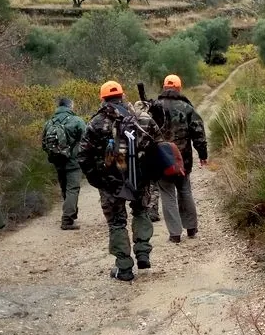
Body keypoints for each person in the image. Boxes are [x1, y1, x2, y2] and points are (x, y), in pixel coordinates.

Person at [77, 81, 162, 281]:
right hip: (140, 179)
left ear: (102, 98)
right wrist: (150, 174)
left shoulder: (96, 123)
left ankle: (124, 268)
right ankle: (143, 256)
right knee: (141, 212)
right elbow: (159, 145)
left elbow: (83, 155)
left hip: (110, 183)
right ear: (123, 96)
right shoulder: (142, 117)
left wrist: (96, 179)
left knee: (116, 223)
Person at [154, 74, 207, 243]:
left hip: (161, 160)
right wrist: (202, 154)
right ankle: (191, 229)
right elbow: (198, 133)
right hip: (182, 160)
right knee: (185, 190)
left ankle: (175, 234)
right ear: (178, 88)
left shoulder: (154, 107)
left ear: (164, 87)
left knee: (167, 194)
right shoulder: (187, 108)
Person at [41, 97, 87, 230]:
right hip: (73, 161)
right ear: (70, 106)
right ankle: (67, 219)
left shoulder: (49, 123)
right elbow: (86, 139)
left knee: (64, 188)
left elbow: (44, 144)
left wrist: (55, 154)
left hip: (57, 161)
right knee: (72, 189)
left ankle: (70, 213)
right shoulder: (77, 121)